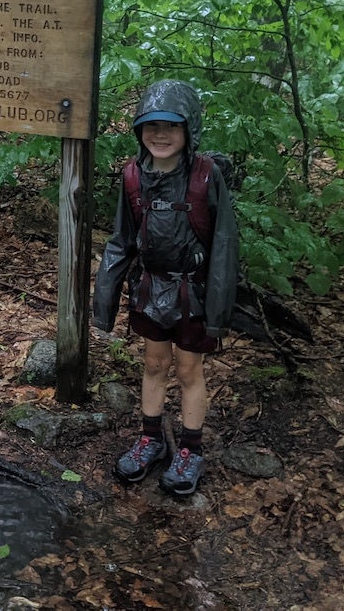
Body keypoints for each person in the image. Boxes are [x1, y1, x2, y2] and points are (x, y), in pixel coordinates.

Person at [92, 79, 239, 496]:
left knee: (190, 369)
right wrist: (104, 298)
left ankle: (190, 448)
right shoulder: (132, 177)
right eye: (151, 125)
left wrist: (219, 311)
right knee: (154, 365)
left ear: (188, 130)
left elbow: (225, 243)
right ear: (139, 130)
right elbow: (122, 238)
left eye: (171, 126)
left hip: (193, 292)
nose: (160, 134)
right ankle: (150, 439)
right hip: (149, 289)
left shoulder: (206, 177)